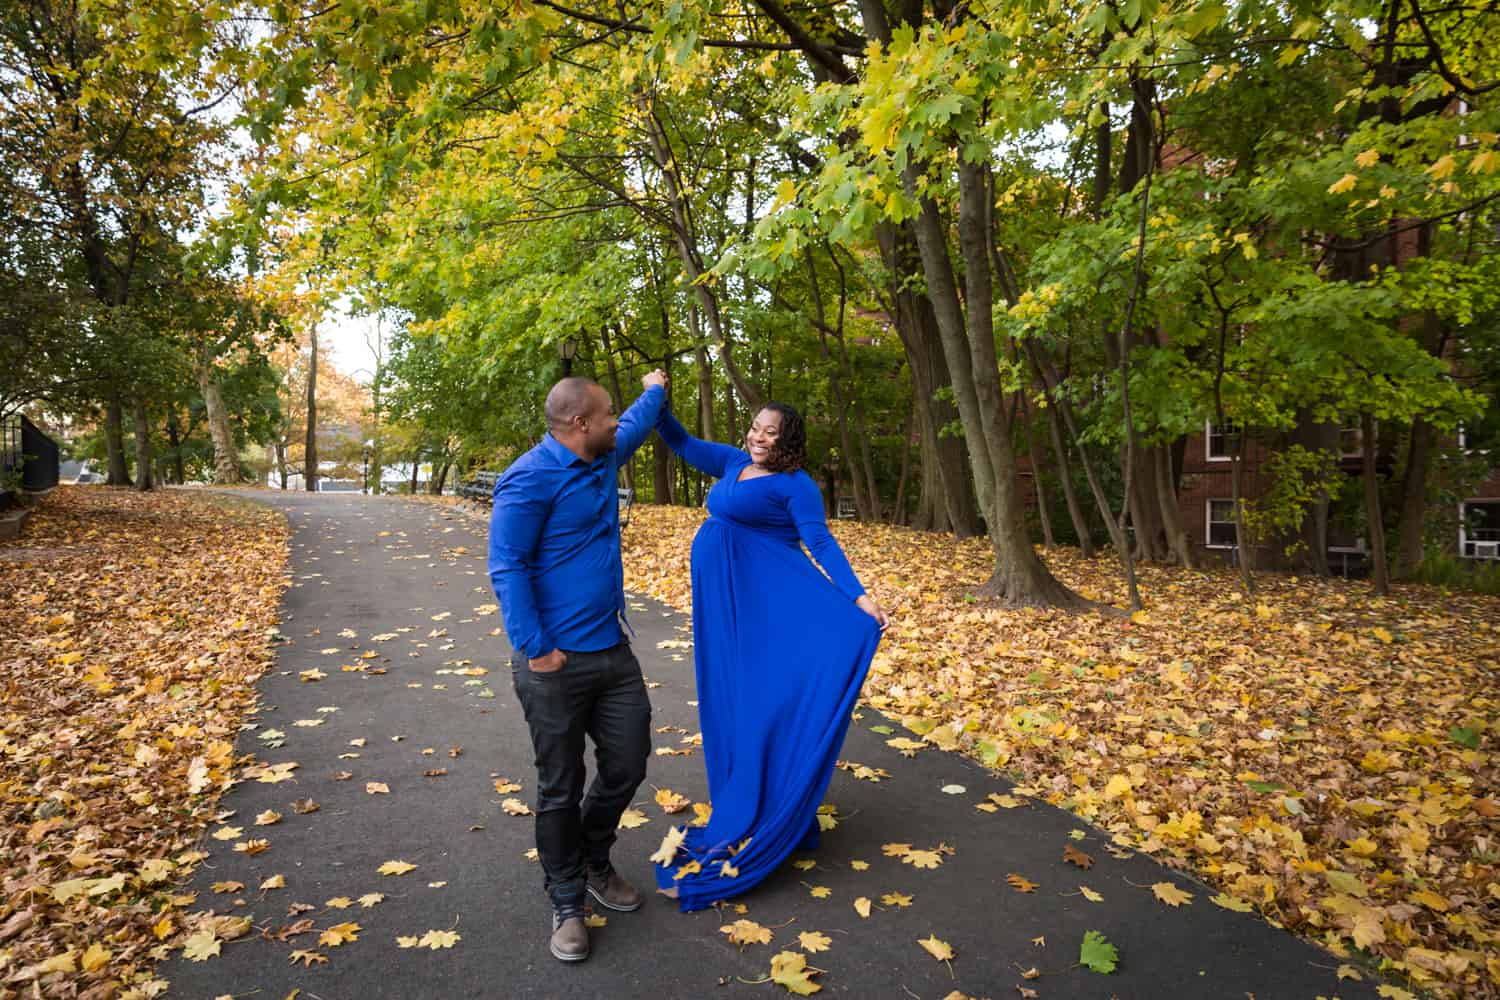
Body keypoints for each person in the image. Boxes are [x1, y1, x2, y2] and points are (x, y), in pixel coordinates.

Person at [650, 400, 888, 911]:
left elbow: (820, 543)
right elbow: (683, 443)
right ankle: (748, 786)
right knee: (731, 697)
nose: (760, 437)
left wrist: (859, 598)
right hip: (724, 603)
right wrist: (659, 402)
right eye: (756, 428)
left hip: (765, 604)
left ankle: (770, 802)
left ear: (788, 439)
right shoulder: (735, 463)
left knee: (760, 696)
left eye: (771, 432)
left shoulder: (796, 486)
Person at [488, 370, 667, 962]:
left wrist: (655, 387)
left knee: (628, 761)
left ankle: (592, 854)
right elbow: (507, 566)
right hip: (553, 664)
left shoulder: (602, 454)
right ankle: (567, 899)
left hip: (611, 652)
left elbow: (638, 422)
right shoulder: (528, 479)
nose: (618, 420)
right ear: (579, 424)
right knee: (560, 785)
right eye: (607, 412)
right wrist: (536, 646)